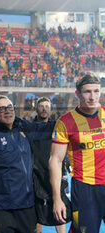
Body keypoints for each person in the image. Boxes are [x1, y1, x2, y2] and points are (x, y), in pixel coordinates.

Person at [0, 95, 54, 233]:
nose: (7, 111)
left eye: (9, 107)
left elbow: (45, 128)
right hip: (2, 208)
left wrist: (70, 119)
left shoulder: (24, 128)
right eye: (1, 109)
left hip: (28, 205)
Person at [50, 74, 105, 233]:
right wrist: (57, 199)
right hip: (84, 189)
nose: (92, 96)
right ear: (77, 94)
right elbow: (55, 160)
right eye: (87, 92)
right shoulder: (65, 122)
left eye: (96, 91)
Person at [29, 97, 68, 233]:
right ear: (36, 109)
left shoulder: (57, 126)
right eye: (41, 106)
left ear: (50, 109)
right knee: (37, 215)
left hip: (54, 174)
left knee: (59, 211)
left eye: (47, 106)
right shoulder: (30, 129)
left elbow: (64, 152)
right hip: (35, 176)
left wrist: (64, 171)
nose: (44, 108)